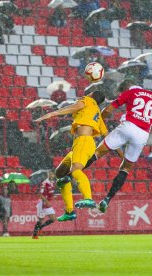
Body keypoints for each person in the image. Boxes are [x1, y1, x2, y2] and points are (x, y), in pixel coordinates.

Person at [74, 79, 152, 213]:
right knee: (125, 168)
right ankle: (107, 199)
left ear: (126, 88)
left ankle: (72, 173)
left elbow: (109, 109)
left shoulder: (130, 92)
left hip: (128, 126)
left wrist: (99, 121)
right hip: (142, 134)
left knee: (98, 153)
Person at [34, 90, 108, 222]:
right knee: (60, 175)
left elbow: (75, 107)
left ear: (92, 96)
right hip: (84, 144)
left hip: (83, 141)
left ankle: (88, 198)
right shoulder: (96, 112)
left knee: (75, 170)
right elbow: (106, 134)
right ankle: (69, 211)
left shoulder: (87, 100)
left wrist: (53, 113)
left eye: (89, 93)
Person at [32, 171, 56, 239]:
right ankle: (34, 235)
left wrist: (52, 197)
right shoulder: (45, 183)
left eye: (52, 173)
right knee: (41, 220)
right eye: (50, 173)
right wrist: (46, 201)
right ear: (48, 175)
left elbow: (49, 193)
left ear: (54, 175)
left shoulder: (52, 183)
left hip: (47, 204)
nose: (51, 175)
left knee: (53, 219)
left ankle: (40, 228)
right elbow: (40, 194)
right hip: (42, 204)